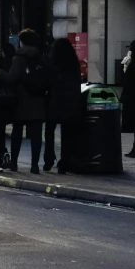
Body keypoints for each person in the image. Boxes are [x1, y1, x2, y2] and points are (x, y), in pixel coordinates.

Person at [8, 28, 50, 172]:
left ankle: (14, 163)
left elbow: (12, 78)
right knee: (36, 135)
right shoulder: (41, 58)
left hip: (21, 99)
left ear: (22, 42)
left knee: (17, 132)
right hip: (38, 100)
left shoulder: (18, 58)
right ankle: (34, 166)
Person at [46, 35, 84, 173]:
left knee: (49, 131)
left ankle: (48, 159)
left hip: (55, 100)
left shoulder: (53, 63)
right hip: (71, 102)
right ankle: (65, 162)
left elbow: (49, 82)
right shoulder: (74, 64)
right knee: (67, 135)